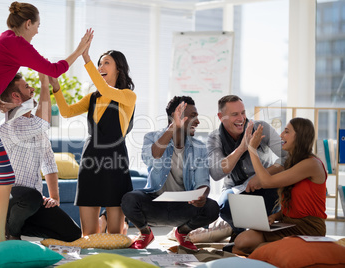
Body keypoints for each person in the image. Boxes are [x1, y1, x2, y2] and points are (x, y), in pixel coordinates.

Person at [0, 1, 92, 257]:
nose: (37, 32)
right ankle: (0, 242)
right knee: (4, 177)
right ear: (28, 24)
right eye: (37, 26)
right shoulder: (17, 45)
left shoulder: (0, 40)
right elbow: (54, 69)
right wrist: (80, 49)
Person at [53, 41, 136, 236]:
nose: (100, 67)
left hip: (115, 162)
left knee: (115, 235)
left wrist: (86, 58)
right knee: (88, 235)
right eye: (99, 64)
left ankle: (110, 223)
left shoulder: (128, 96)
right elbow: (66, 112)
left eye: (106, 62)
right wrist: (56, 87)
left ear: (119, 68)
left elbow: (108, 91)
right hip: (90, 162)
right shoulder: (92, 98)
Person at [121, 96, 220, 250]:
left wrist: (202, 196)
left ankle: (182, 232)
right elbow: (150, 157)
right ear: (176, 116)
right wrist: (173, 127)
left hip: (183, 207)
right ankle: (146, 233)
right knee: (129, 199)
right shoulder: (152, 137)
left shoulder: (199, 147)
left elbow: (203, 181)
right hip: (155, 204)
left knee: (212, 207)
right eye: (193, 116)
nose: (198, 121)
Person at [0, 73, 82, 242]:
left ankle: (20, 225)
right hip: (10, 199)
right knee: (30, 197)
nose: (32, 89)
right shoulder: (9, 126)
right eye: (27, 87)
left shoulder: (37, 129)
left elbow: (49, 162)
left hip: (32, 201)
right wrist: (45, 83)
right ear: (16, 96)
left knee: (72, 234)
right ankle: (11, 231)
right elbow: (44, 122)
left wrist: (54, 198)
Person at [233, 118, 327, 254]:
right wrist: (276, 216)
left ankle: (267, 252)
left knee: (257, 249)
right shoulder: (291, 162)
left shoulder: (312, 164)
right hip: (288, 223)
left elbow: (267, 182)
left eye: (286, 131)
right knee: (241, 242)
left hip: (309, 227)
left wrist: (252, 149)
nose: (281, 135)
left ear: (300, 136)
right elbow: (296, 203)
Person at [207, 95, 287, 241]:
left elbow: (288, 157)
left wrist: (263, 176)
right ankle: (239, 232)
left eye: (243, 113)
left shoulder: (261, 128)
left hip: (265, 186)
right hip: (235, 188)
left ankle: (255, 234)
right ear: (221, 116)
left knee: (271, 197)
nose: (241, 118)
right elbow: (216, 173)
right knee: (224, 206)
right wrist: (243, 147)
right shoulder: (214, 138)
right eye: (234, 114)